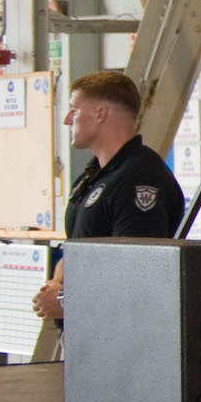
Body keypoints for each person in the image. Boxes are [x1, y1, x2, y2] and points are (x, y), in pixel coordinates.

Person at [29, 70, 185, 324]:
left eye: (74, 110)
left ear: (100, 113)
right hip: (89, 335)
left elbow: (138, 274)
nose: (68, 119)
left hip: (124, 339)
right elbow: (79, 245)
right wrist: (58, 283)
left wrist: (66, 300)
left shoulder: (139, 179)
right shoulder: (94, 176)